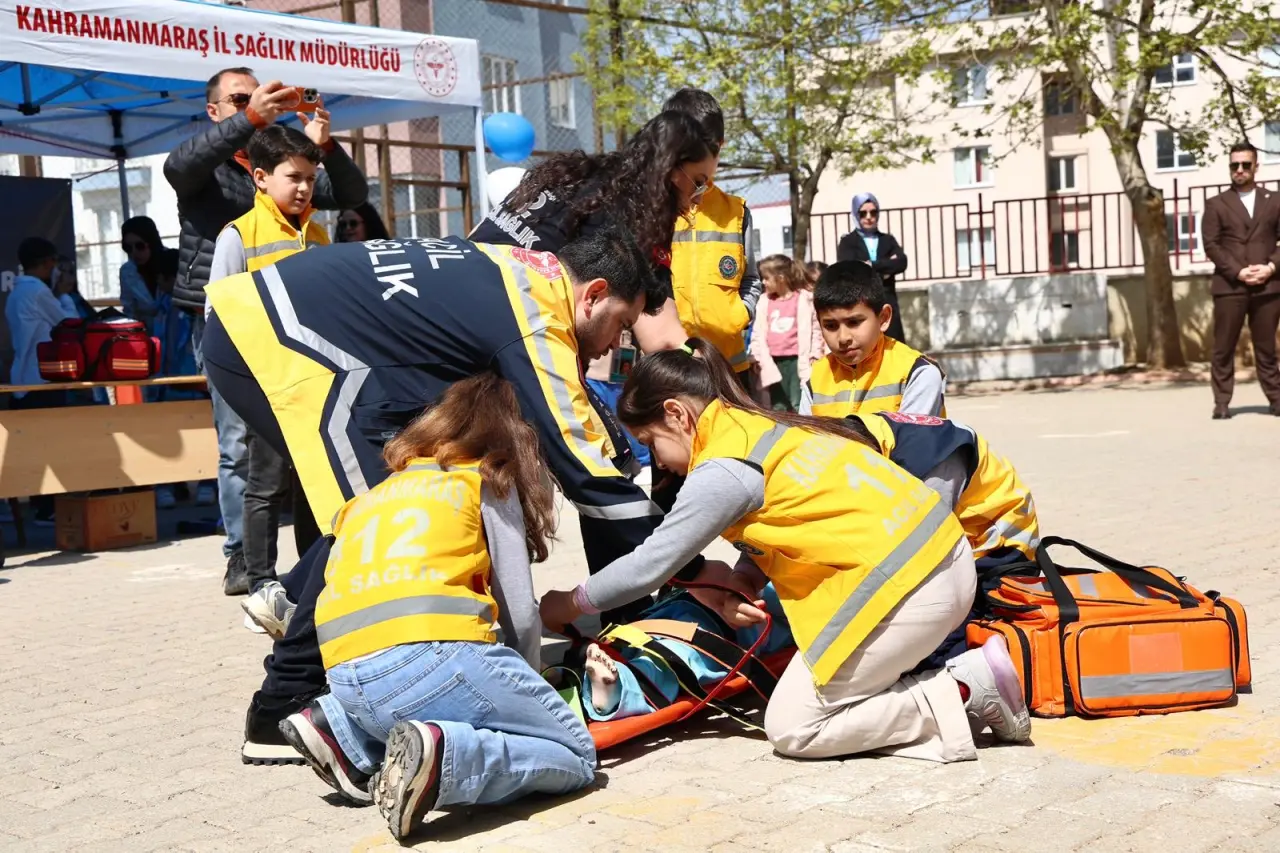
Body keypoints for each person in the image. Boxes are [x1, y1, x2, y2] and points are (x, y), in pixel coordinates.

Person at [199, 226, 713, 764]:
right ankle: (279, 706)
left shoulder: (524, 273)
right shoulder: (538, 318)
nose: (615, 344)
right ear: (593, 294)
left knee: (405, 488)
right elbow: (583, 468)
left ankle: (289, 594)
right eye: (621, 325)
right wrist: (692, 568)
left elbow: (585, 437)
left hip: (271, 322)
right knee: (379, 518)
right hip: (278, 338)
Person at [539, 339, 1031, 762]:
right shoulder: (761, 426)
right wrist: (747, 579)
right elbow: (795, 513)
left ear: (676, 414)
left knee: (795, 726)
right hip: (940, 561)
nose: (658, 460)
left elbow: (649, 565)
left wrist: (572, 601)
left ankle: (965, 690)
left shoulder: (721, 467)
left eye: (650, 442)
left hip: (910, 589)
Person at [278, 374, 595, 840]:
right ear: (513, 437)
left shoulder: (371, 496)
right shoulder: (484, 477)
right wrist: (529, 678)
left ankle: (345, 734)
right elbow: (520, 614)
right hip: (433, 656)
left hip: (345, 675)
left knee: (411, 706)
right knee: (575, 755)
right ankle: (447, 756)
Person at [164, 66, 367, 593]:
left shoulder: (286, 168)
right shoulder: (206, 166)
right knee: (242, 452)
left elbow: (349, 191)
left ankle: (305, 570)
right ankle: (244, 563)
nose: (255, 103)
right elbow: (177, 164)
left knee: (299, 466)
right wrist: (250, 118)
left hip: (301, 360)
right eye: (240, 98)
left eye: (260, 94)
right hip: (233, 338)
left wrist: (326, 145)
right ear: (215, 111)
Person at [207, 123, 329, 621]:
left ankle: (311, 577)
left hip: (317, 381)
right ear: (260, 178)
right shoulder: (238, 236)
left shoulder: (321, 234)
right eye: (292, 176)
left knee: (314, 482)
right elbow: (218, 316)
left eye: (310, 177)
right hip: (264, 383)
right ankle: (259, 580)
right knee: (266, 481)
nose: (303, 187)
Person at [843, 409, 1039, 669]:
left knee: (930, 647)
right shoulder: (871, 441)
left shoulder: (925, 458)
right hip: (963, 540)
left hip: (998, 547)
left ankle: (986, 675)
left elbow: (925, 550)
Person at [580, 584, 794, 722]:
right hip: (695, 615)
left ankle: (615, 688)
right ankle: (615, 684)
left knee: (668, 655)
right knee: (658, 650)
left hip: (704, 622)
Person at [663, 88, 763, 379]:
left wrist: (740, 315)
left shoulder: (737, 213)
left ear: (719, 146)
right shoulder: (653, 211)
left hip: (729, 369)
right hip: (668, 367)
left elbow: (752, 278)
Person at [800, 261, 944, 418]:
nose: (843, 338)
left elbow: (909, 439)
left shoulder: (917, 373)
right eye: (831, 325)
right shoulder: (816, 378)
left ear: (883, 318)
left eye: (854, 322)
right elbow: (804, 439)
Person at [1201, 141, 1280, 419]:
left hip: (1267, 287)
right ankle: (1222, 402)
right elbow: (1211, 244)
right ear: (1230, 167)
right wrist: (1237, 271)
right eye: (1235, 165)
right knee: (1223, 347)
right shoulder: (1216, 204)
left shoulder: (1275, 201)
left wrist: (1271, 267)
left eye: (1246, 165)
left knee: (1267, 347)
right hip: (1229, 286)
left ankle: (1276, 398)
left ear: (1256, 166)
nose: (1240, 170)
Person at [5, 237, 77, 524]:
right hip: (43, 378)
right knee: (50, 446)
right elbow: (67, 324)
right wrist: (65, 294)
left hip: (24, 380)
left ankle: (42, 505)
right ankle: (47, 508)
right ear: (47, 262)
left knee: (34, 449)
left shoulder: (17, 292)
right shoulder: (37, 292)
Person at [749, 254, 822, 412]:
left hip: (797, 361)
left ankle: (800, 432)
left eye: (767, 278)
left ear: (780, 278)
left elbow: (816, 329)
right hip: (773, 362)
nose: (763, 282)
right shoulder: (764, 301)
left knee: (797, 401)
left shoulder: (803, 299)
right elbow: (757, 332)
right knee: (778, 404)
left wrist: (815, 354)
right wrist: (756, 355)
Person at [837, 193, 909, 343]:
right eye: (863, 213)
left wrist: (872, 265)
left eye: (873, 212)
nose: (869, 217)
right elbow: (850, 268)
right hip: (860, 300)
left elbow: (902, 262)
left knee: (892, 346)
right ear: (856, 215)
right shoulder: (848, 242)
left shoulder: (887, 240)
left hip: (887, 299)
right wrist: (886, 268)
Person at [119, 216, 167, 334]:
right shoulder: (127, 272)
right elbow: (129, 310)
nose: (134, 253)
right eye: (128, 248)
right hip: (147, 336)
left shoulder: (173, 261)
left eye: (139, 246)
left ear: (151, 242)